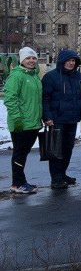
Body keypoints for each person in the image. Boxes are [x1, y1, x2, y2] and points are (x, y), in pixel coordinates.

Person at [41, 49, 81, 189]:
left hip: (72, 118)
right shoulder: (51, 77)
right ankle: (56, 178)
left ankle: (63, 173)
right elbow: (45, 98)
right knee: (56, 150)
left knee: (68, 148)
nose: (71, 63)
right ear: (62, 61)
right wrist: (47, 116)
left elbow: (80, 96)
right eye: (68, 61)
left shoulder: (78, 76)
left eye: (73, 61)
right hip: (56, 119)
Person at [5, 47, 42, 194]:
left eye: (34, 58)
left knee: (23, 153)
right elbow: (10, 99)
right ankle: (17, 183)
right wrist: (17, 118)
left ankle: (20, 181)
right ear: (22, 60)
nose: (31, 61)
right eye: (28, 58)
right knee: (19, 153)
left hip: (33, 122)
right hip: (22, 124)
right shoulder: (17, 76)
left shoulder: (34, 76)